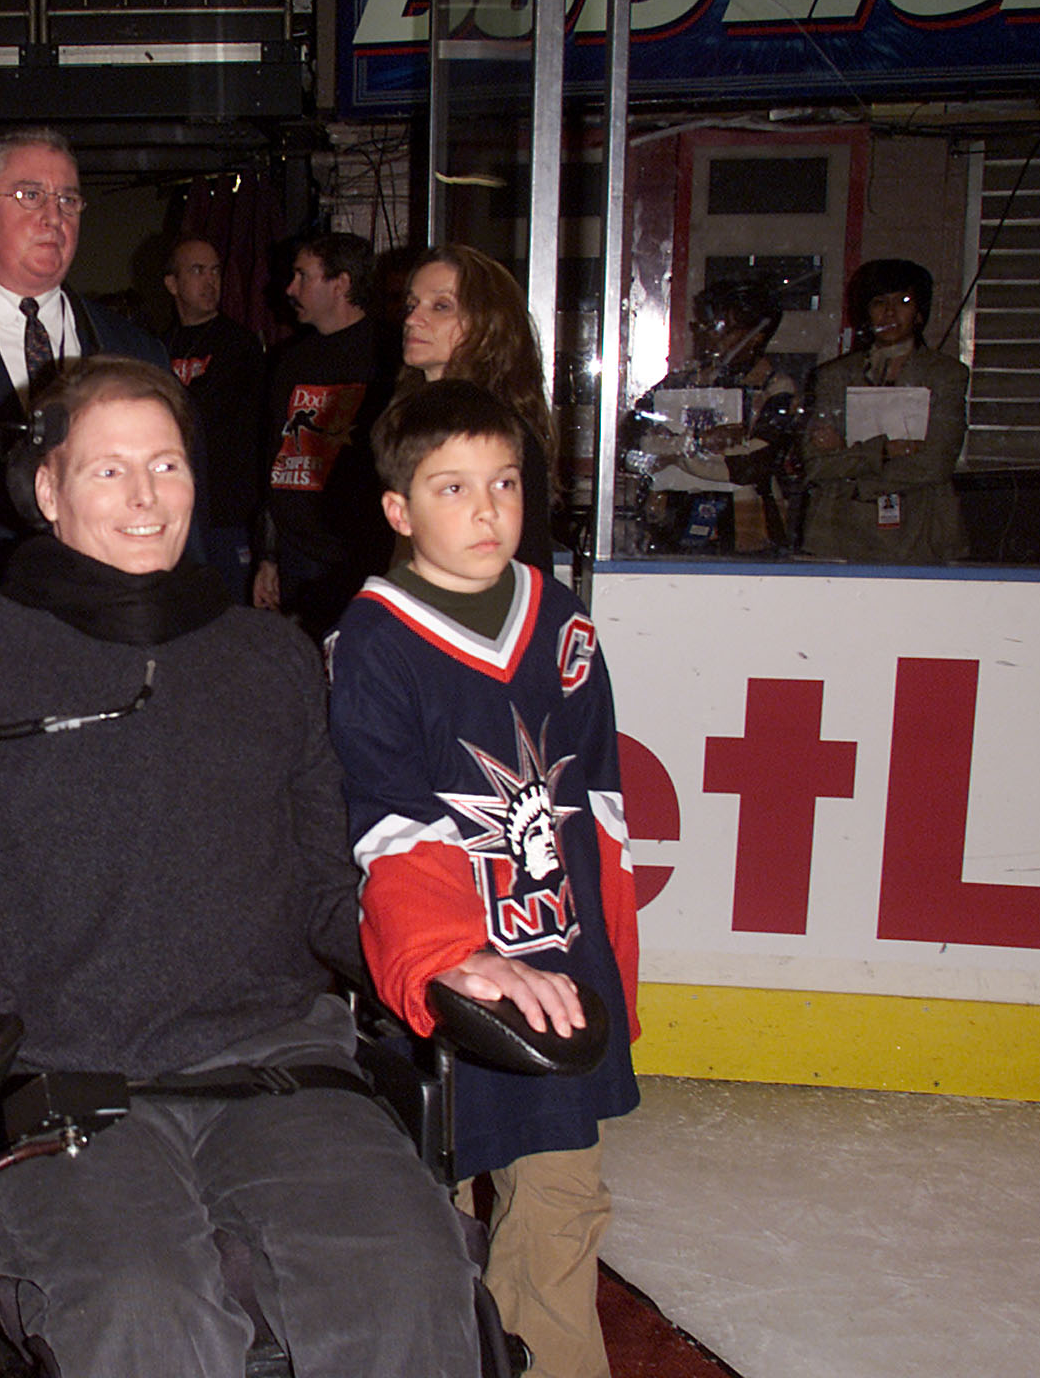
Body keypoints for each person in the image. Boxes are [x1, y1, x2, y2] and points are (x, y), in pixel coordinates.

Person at [0, 356, 481, 1378]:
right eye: (108, 470)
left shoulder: (268, 659)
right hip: (55, 1078)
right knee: (143, 1311)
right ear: (46, 491)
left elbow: (326, 889)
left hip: (273, 1069)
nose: (145, 498)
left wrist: (444, 958)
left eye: (166, 466)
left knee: (409, 1280)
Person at [328, 380, 642, 1378]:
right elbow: (386, 828)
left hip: (562, 967)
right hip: (453, 979)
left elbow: (598, 799)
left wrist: (611, 961)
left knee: (560, 1198)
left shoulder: (561, 620)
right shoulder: (370, 647)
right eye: (452, 487)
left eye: (503, 483)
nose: (486, 510)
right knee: (439, 1203)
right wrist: (454, 954)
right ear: (398, 509)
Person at [0, 126, 168, 589]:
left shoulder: (136, 351)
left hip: (106, 613)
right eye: (30, 195)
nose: (53, 216)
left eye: (68, 200)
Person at [253, 230, 392, 638]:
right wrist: (268, 557)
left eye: (303, 276)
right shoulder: (290, 361)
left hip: (361, 559)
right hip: (297, 556)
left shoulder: (388, 354)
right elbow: (271, 462)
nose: (290, 288)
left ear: (341, 283)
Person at [395, 244, 557, 570]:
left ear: (488, 325)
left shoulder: (496, 433)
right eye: (412, 304)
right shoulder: (406, 419)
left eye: (441, 306)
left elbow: (524, 565)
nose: (413, 319)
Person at [800, 258, 968, 563]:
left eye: (903, 301)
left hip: (920, 531)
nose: (890, 313)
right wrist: (884, 452)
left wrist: (853, 468)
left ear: (919, 313)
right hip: (840, 533)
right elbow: (816, 464)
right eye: (879, 302)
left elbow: (936, 462)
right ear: (866, 312)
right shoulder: (834, 376)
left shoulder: (946, 375)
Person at [624, 279, 802, 554]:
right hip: (672, 525)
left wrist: (671, 451)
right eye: (704, 326)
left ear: (756, 335)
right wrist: (699, 443)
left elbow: (753, 464)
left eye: (721, 328)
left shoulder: (776, 389)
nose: (708, 337)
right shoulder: (678, 384)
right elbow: (631, 443)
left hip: (747, 531)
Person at [164, 235, 263, 602]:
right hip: (177, 509)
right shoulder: (159, 345)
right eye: (197, 271)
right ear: (172, 284)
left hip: (227, 511)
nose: (210, 281)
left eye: (216, 271)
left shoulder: (240, 345)